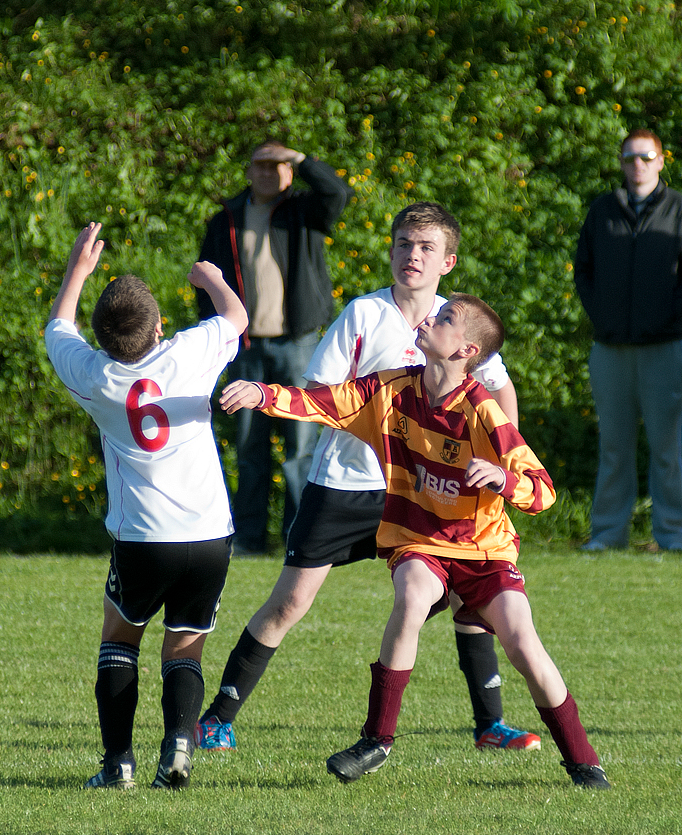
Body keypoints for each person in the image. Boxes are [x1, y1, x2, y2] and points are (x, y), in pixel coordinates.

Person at [220, 293, 610, 790]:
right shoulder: (390, 389)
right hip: (420, 541)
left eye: (445, 319)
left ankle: (583, 762)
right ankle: (376, 741)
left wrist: (503, 479)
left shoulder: (482, 410)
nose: (430, 318)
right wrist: (262, 394)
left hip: (484, 550)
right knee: (411, 598)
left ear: (466, 350)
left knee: (523, 643)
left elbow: (543, 490)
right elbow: (322, 403)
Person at [197, 203, 540, 754]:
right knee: (290, 602)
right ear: (391, 250)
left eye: (426, 247)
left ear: (447, 262)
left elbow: (498, 387)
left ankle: (489, 726)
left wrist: (500, 460)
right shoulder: (364, 314)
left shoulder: (457, 324)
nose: (413, 255)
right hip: (346, 486)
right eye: (404, 243)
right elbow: (322, 395)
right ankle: (217, 718)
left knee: (469, 595)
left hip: (426, 495)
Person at [44, 223, 248, 791]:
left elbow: (58, 328)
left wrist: (77, 271)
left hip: (142, 537)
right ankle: (178, 745)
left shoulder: (96, 376)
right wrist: (212, 279)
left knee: (119, 639)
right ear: (160, 327)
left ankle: (118, 765)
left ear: (101, 338)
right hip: (209, 533)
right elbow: (237, 318)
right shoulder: (189, 354)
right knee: (185, 645)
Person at [197, 140, 354, 553]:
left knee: (301, 448)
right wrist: (216, 335)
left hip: (297, 344)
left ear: (289, 172)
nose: (268, 173)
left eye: (277, 165)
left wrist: (302, 159)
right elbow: (206, 282)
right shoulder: (226, 219)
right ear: (249, 171)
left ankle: (298, 539)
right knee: (250, 447)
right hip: (245, 347)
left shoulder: (304, 210)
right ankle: (249, 540)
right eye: (261, 165)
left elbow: (338, 192)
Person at [574, 128, 682, 551]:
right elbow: (584, 270)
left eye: (646, 157)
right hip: (611, 348)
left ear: (661, 160)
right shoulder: (603, 210)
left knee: (670, 448)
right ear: (621, 163)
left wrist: (670, 319)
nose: (638, 164)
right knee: (614, 447)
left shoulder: (678, 209)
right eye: (630, 157)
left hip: (667, 348)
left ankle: (673, 535)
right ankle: (607, 534)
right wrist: (602, 315)